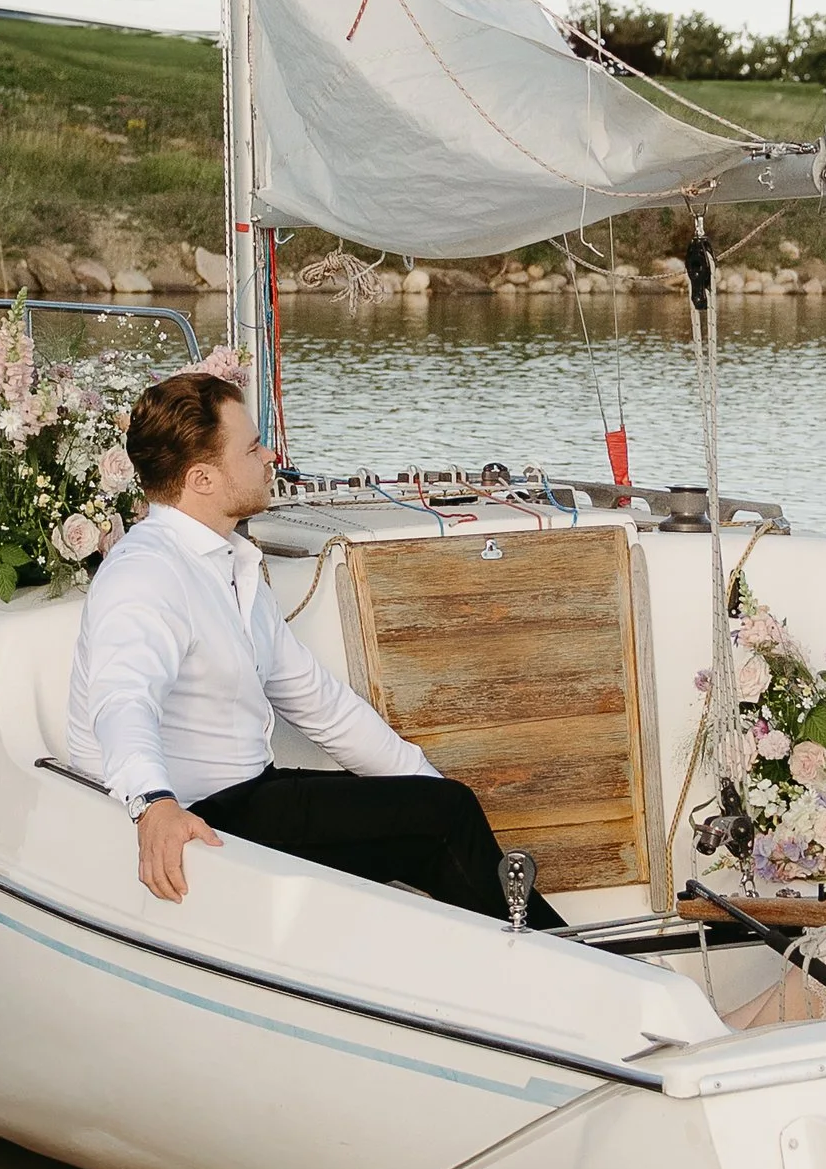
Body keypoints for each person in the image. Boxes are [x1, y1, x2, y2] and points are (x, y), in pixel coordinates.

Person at [67, 362, 563, 926]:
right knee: (444, 817)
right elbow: (122, 699)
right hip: (199, 816)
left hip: (249, 795)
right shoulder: (147, 573)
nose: (269, 458)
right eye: (252, 448)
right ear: (202, 479)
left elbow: (318, 703)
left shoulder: (228, 564)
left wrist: (422, 780)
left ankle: (538, 954)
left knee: (439, 807)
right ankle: (580, 968)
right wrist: (153, 804)